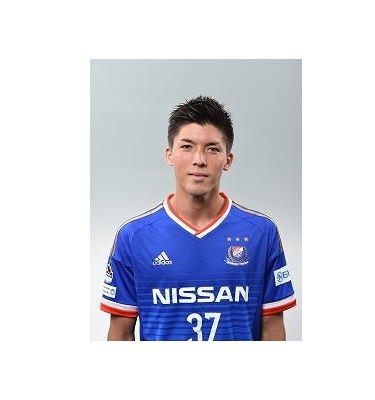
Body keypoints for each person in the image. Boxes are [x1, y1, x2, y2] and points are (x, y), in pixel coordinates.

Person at [99, 95, 297, 341]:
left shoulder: (261, 233)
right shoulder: (134, 236)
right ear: (170, 155)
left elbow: (272, 331)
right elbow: (120, 336)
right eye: (187, 146)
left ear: (228, 160)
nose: (199, 160)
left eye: (212, 149)